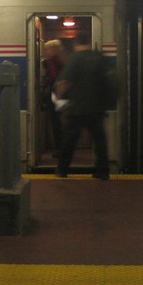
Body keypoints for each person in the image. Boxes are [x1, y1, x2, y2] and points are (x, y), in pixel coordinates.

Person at [54, 31, 110, 180]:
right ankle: (103, 171)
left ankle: (62, 169)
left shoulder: (75, 58)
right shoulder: (98, 57)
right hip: (97, 107)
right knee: (99, 141)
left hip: (78, 108)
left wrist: (59, 98)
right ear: (89, 42)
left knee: (70, 140)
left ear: (75, 43)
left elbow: (64, 82)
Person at [39, 39, 64, 155]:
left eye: (47, 48)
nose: (45, 51)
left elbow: (52, 77)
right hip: (62, 96)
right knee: (60, 122)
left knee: (56, 122)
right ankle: (61, 147)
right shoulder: (62, 60)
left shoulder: (50, 62)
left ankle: (60, 148)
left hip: (54, 95)